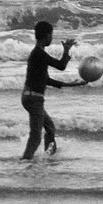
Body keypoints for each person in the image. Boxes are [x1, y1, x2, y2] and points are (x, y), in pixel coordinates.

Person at [20, 21, 84, 160]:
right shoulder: (39, 54)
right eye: (51, 35)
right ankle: (24, 163)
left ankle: (49, 157)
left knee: (50, 128)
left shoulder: (38, 54)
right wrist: (66, 50)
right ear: (47, 35)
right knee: (36, 136)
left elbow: (46, 80)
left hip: (30, 97)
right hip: (33, 98)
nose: (52, 38)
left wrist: (70, 84)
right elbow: (61, 66)